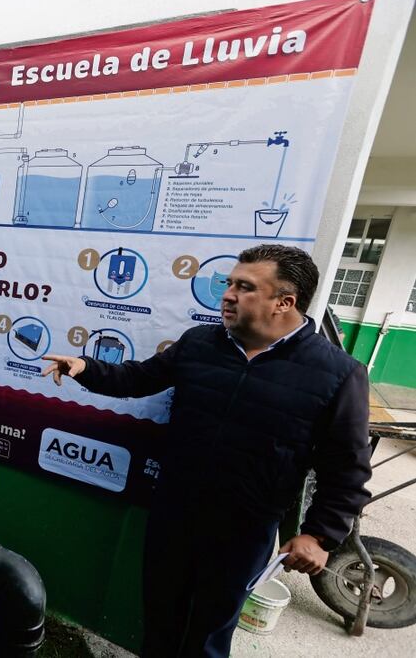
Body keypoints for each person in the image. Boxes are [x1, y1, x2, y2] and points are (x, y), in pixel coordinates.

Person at [41, 244, 371, 658]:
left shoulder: (338, 374)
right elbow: (140, 378)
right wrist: (87, 368)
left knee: (209, 636)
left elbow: (348, 470)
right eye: (229, 284)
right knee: (160, 620)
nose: (227, 294)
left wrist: (319, 535)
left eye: (244, 287)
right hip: (173, 514)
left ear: (284, 302)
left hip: (243, 531)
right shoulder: (200, 342)